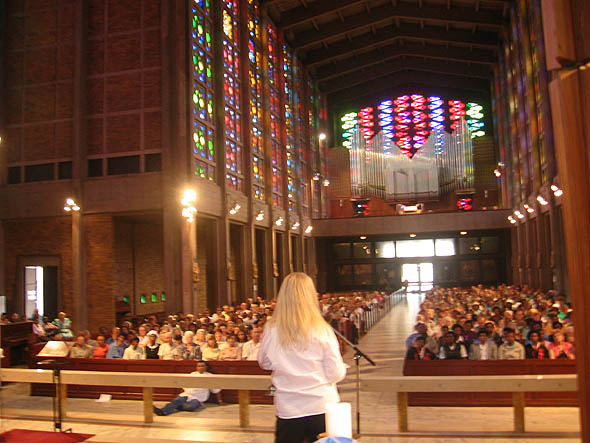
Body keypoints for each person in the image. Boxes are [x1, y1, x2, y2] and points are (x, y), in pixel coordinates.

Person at [258, 272, 347, 443]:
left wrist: (285, 365)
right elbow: (336, 373)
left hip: (289, 407)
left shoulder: (272, 329)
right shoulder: (322, 329)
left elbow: (264, 362)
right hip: (321, 404)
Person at [153, 361, 225, 416]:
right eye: (199, 366)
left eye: (202, 366)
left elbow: (216, 390)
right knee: (176, 401)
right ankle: (162, 411)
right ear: (196, 367)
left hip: (198, 398)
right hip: (186, 395)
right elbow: (185, 385)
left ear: (206, 367)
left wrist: (220, 401)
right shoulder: (192, 374)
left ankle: (178, 406)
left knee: (191, 407)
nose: (201, 368)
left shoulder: (210, 376)